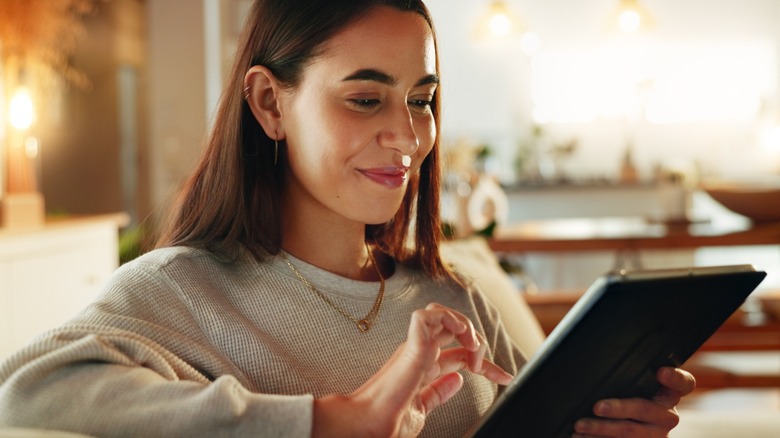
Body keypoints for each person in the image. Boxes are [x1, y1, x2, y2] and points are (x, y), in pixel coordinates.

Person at [0, 0, 695, 436]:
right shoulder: (182, 290)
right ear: (269, 104)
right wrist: (330, 422)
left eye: (421, 100)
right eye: (365, 100)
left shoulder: (454, 296)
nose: (409, 137)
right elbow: (24, 393)